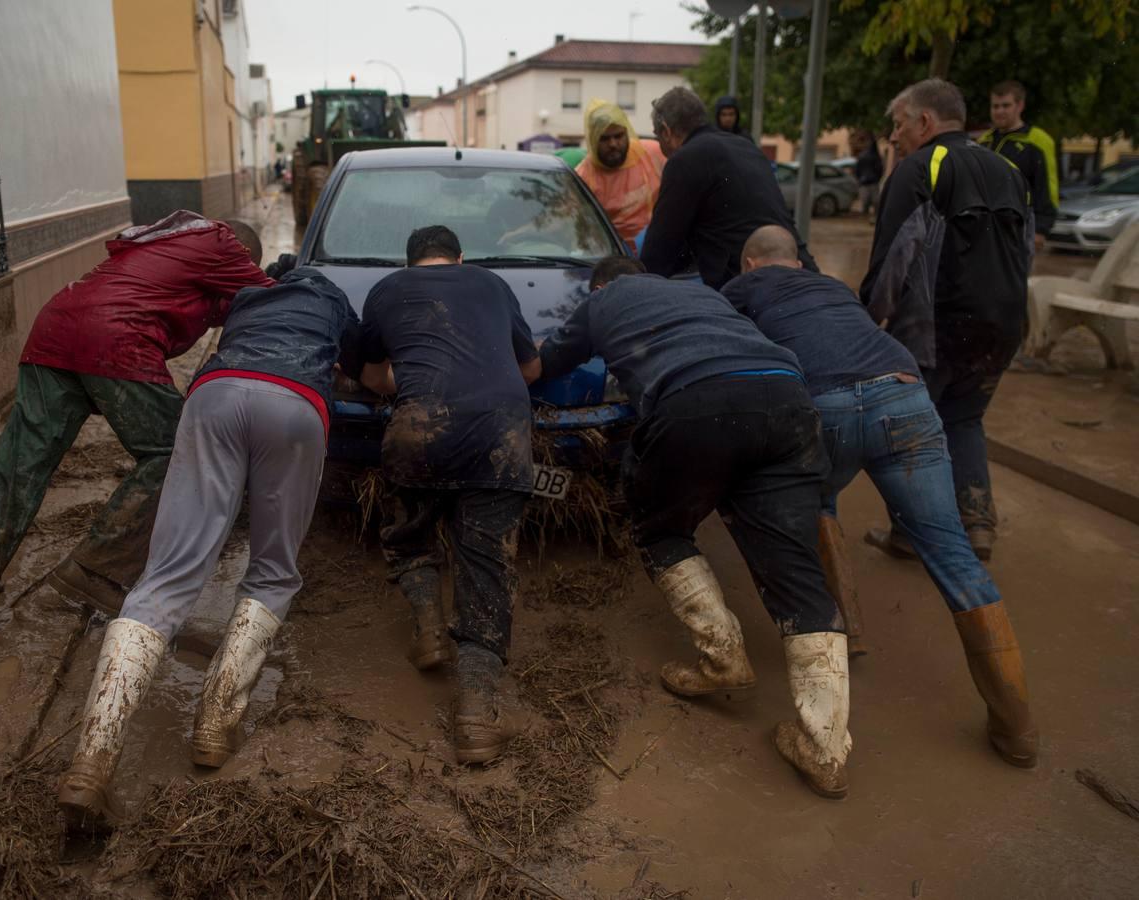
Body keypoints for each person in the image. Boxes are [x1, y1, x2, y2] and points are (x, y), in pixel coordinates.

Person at [724, 226, 1039, 768]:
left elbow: (733, 349)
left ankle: (847, 628)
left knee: (818, 499)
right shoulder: (834, 289)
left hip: (827, 408)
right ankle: (1017, 730)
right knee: (954, 556)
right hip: (904, 394)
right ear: (798, 263)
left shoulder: (743, 288)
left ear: (751, 263)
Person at [57, 267, 362, 826]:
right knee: (272, 571)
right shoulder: (336, 301)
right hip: (295, 407)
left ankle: (92, 761)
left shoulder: (248, 300)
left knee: (166, 577)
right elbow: (360, 373)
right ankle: (215, 726)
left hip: (215, 396)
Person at [539, 257, 853, 799]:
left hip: (696, 402)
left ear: (601, 286)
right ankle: (825, 747)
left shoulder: (602, 300)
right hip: (787, 399)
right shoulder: (704, 292)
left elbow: (546, 364)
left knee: (661, 527)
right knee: (796, 573)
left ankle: (723, 658)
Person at [0, 212, 273, 658]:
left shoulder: (166, 248)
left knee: (16, 475)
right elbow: (271, 297)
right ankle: (95, 569)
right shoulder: (223, 242)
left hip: (54, 330)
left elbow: (225, 306)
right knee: (179, 451)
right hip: (115, 337)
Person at [356, 225, 541, 766]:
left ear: (410, 261)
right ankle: (476, 718)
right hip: (500, 435)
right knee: (486, 568)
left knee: (409, 533)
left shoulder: (386, 289)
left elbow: (371, 376)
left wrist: (416, 376)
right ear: (460, 258)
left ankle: (430, 630)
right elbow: (529, 368)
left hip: (419, 430)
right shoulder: (490, 281)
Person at [860, 79, 1032, 562]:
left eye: (898, 125)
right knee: (965, 418)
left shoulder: (919, 169)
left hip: (934, 330)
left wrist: (869, 318)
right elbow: (1024, 253)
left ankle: (911, 534)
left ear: (925, 122)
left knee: (910, 429)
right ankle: (978, 525)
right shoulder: (1008, 169)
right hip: (1003, 328)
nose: (894, 137)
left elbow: (894, 256)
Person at [639, 86, 817, 289]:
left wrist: (637, 290)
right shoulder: (746, 147)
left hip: (755, 289)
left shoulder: (685, 160)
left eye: (657, 136)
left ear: (666, 132)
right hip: (804, 275)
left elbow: (660, 250)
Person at [573, 98, 667, 250]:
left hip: (662, 248)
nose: (613, 144)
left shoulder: (652, 153)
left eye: (618, 136)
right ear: (592, 140)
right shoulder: (583, 178)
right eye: (604, 138)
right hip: (616, 256)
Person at [978, 80, 1058, 248]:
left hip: (1019, 231)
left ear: (1020, 106)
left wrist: (1041, 229)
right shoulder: (984, 141)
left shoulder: (1038, 140)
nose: (999, 111)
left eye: (1006, 105)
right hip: (983, 230)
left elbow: (1048, 187)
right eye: (995, 106)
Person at [854, 131, 883, 222]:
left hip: (871, 182)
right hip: (867, 182)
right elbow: (857, 169)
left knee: (874, 202)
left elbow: (879, 168)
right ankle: (869, 218)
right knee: (869, 202)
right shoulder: (864, 155)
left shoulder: (873, 155)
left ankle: (872, 218)